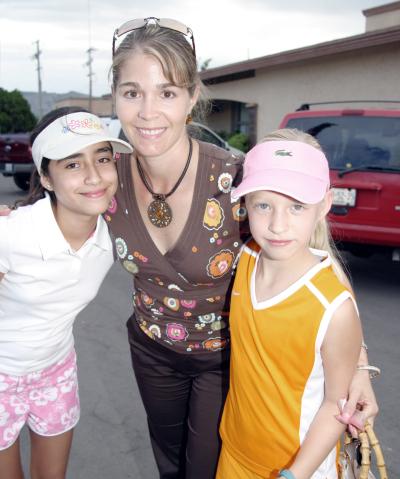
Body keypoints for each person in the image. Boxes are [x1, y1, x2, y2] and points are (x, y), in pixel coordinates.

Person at [107, 17, 378, 478]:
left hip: (223, 358)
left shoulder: (236, 179)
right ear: (115, 96)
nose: (148, 112)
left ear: (193, 97)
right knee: (169, 466)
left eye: (167, 92)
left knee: (205, 469)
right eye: (132, 93)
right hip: (152, 351)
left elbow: (312, 252)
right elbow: (52, 211)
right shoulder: (106, 176)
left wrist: (356, 365)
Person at [216, 129, 362, 479]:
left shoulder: (333, 307)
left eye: (297, 206)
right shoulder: (247, 258)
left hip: (297, 469)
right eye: (264, 205)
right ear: (245, 204)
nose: (277, 225)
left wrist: (295, 474)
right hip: (234, 453)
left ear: (324, 205)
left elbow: (336, 405)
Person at [0, 107, 132, 479]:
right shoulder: (11, 235)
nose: (94, 176)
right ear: (46, 177)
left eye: (103, 158)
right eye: (72, 165)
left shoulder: (112, 236)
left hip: (54, 370)